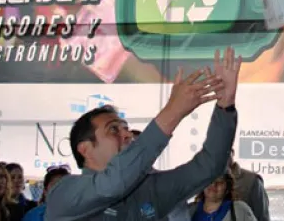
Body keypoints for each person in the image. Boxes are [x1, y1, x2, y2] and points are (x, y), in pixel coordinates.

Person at [46, 46, 242, 221]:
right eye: (113, 129)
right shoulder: (65, 194)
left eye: (126, 128)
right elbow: (114, 184)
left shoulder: (150, 189)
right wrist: (172, 112)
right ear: (85, 149)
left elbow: (210, 167)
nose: (127, 134)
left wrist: (225, 106)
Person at [188, 172, 256, 221]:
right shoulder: (189, 211)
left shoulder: (240, 210)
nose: (214, 184)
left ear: (227, 188)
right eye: (210, 180)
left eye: (220, 181)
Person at [227, 149, 269, 221]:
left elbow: (262, 217)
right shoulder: (205, 180)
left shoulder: (252, 180)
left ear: (232, 152)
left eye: (224, 151)